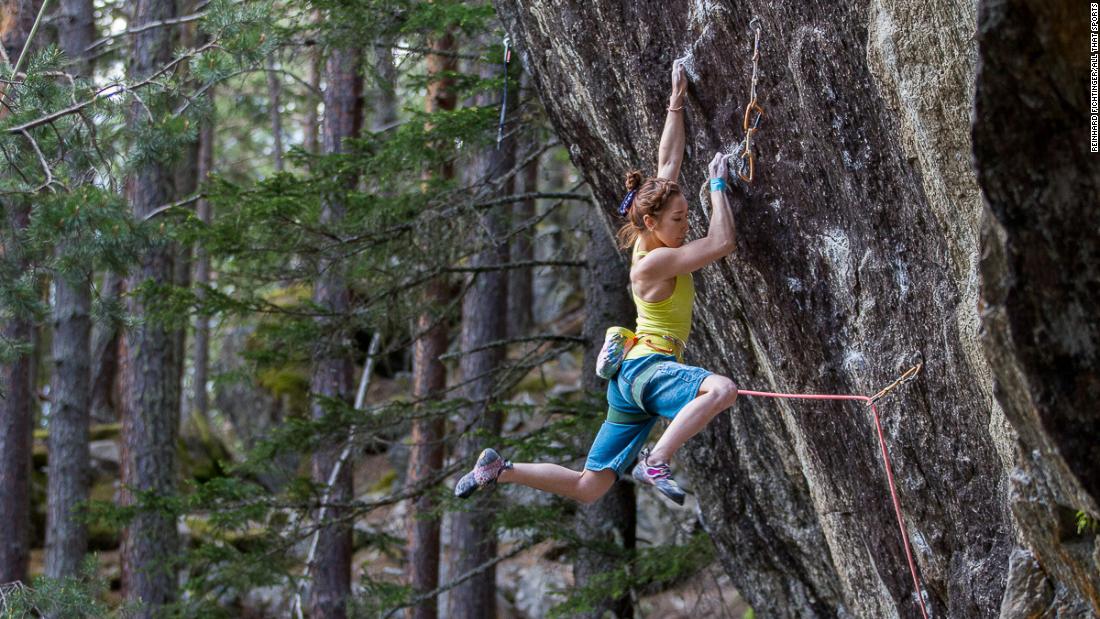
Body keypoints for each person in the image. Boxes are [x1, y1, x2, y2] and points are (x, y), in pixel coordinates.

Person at [455, 60, 739, 505]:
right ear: (651, 221)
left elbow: (667, 163)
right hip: (649, 368)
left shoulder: (648, 236)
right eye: (680, 219)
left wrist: (676, 102)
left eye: (686, 217)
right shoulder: (653, 263)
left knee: (590, 486)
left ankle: (500, 470)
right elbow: (721, 241)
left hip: (631, 382)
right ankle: (657, 460)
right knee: (721, 389)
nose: (686, 226)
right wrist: (718, 186)